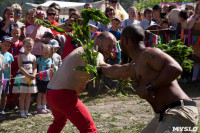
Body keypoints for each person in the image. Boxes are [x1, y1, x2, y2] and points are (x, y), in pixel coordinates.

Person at [98, 25, 199, 133]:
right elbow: (117, 71)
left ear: (126, 40)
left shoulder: (149, 54)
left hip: (180, 113)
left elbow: (175, 68)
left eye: (121, 39)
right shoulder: (136, 63)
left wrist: (149, 87)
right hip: (164, 115)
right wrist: (99, 64)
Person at [46, 31, 116, 133]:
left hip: (50, 93)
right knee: (90, 130)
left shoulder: (81, 49)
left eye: (113, 47)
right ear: (99, 41)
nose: (111, 50)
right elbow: (103, 66)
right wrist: (123, 72)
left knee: (59, 121)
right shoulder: (94, 53)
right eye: (109, 46)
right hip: (63, 94)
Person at [12, 37, 37, 118]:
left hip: (30, 77)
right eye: (27, 46)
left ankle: (27, 110)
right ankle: (22, 111)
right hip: (23, 76)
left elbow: (35, 67)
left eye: (30, 46)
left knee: (28, 95)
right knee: (22, 95)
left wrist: (33, 74)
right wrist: (28, 75)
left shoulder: (33, 57)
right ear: (23, 46)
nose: (29, 48)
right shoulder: (21, 56)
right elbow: (20, 67)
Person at [6, 26, 23, 111]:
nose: (16, 34)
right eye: (14, 33)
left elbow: (22, 55)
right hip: (8, 68)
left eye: (17, 33)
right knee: (8, 86)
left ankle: (15, 102)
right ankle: (7, 103)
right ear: (11, 33)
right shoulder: (8, 43)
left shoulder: (22, 44)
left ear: (20, 34)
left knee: (17, 85)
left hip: (18, 68)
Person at [36, 44, 54, 114]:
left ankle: (44, 106)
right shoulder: (39, 59)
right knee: (40, 93)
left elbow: (53, 69)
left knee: (45, 94)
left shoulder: (51, 60)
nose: (45, 54)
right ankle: (39, 107)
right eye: (43, 52)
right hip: (40, 79)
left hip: (48, 79)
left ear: (49, 52)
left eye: (47, 53)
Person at [0, 36, 14, 116]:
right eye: (5, 44)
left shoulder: (10, 55)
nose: (7, 46)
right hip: (0, 78)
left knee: (4, 94)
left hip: (6, 78)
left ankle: (2, 109)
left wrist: (9, 77)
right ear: (1, 44)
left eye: (8, 45)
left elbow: (10, 67)